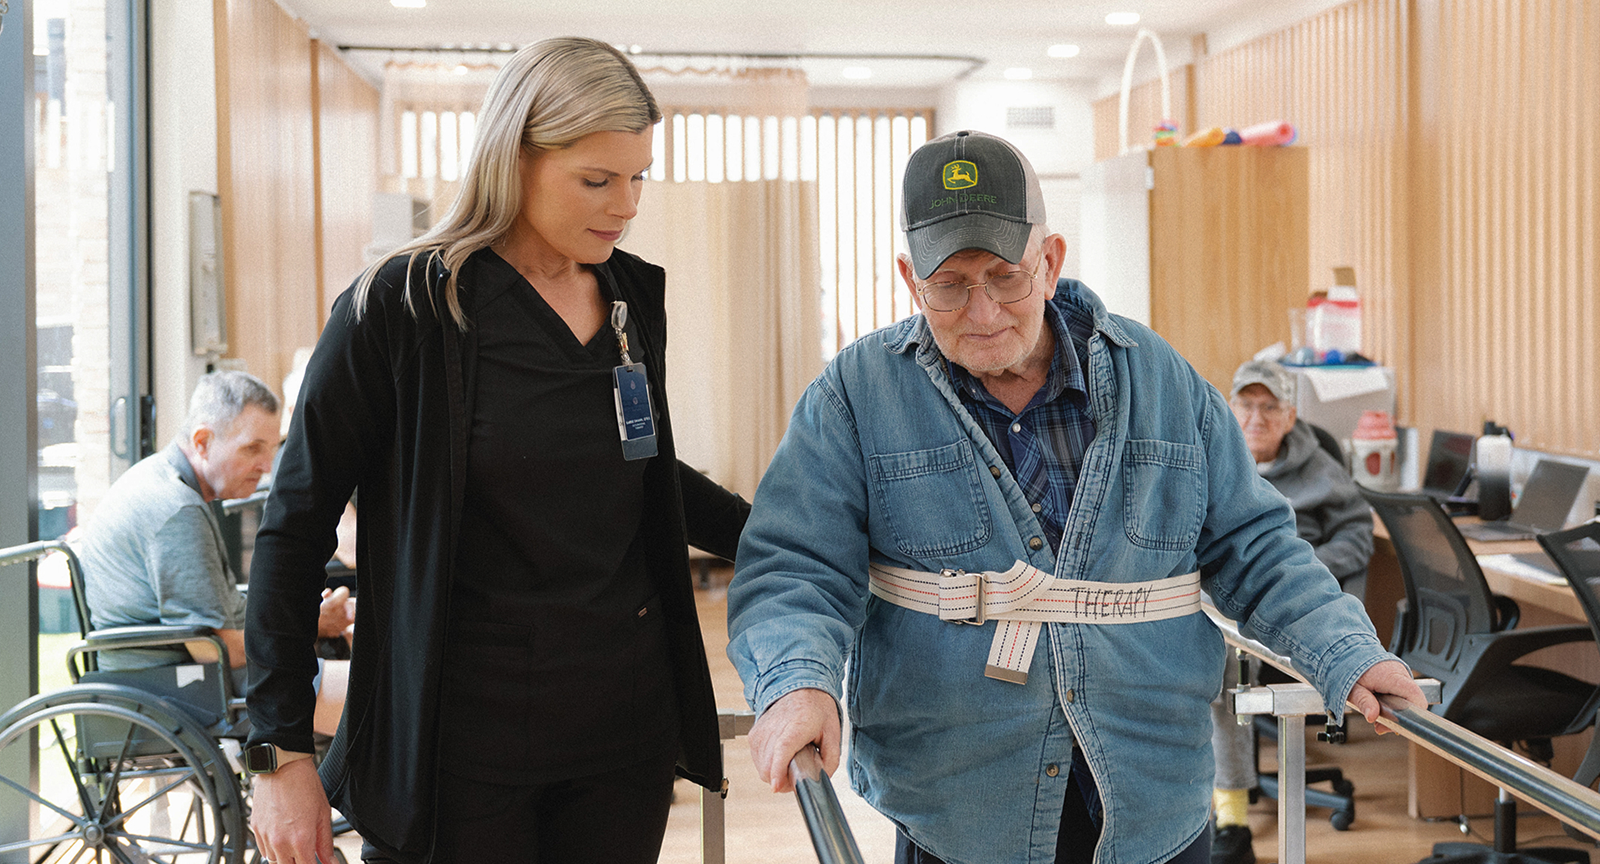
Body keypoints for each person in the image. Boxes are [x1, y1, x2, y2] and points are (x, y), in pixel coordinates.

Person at [725, 130, 1425, 864]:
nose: (983, 312)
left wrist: (1349, 652)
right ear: (910, 278)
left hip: (1150, 789)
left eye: (1004, 277)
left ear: (1050, 261)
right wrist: (798, 682)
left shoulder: (1161, 381)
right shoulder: (856, 396)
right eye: (949, 285)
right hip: (960, 802)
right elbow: (795, 568)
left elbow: (1255, 550)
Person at [244, 36, 750, 864]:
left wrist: (788, 539)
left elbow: (649, 474)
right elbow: (294, 528)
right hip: (458, 754)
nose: (626, 204)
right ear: (514, 156)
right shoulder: (400, 309)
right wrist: (279, 752)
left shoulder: (629, 297)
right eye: (597, 180)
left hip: (622, 738)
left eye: (638, 177)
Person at [73, 371, 351, 736]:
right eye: (252, 448)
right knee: (383, 691)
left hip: (181, 675)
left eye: (272, 449)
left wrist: (305, 615)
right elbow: (215, 652)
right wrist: (313, 624)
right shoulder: (176, 510)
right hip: (182, 686)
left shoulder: (166, 483)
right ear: (202, 441)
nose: (267, 467)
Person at [1208, 359, 1376, 864]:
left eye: (1269, 407)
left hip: (1290, 609)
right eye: (1246, 405)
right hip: (1223, 598)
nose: (1256, 417)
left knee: (1226, 670)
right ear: (1230, 408)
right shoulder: (1217, 458)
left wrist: (1304, 574)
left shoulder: (1320, 469)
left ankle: (1231, 819)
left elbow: (1359, 534)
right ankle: (1215, 808)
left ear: (1290, 416)